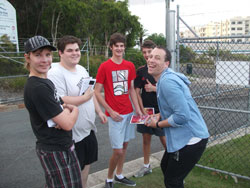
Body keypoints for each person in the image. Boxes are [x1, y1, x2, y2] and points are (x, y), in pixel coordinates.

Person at [145, 46, 209, 188]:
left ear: (166, 64)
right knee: (165, 166)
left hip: (192, 139)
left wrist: (157, 124)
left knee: (172, 181)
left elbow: (182, 116)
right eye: (150, 56)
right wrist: (160, 114)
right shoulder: (165, 78)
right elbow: (175, 105)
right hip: (184, 138)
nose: (151, 60)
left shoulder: (167, 82)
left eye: (157, 57)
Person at [48, 35, 107, 188]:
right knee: (69, 179)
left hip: (87, 130)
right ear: (60, 53)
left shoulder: (81, 69)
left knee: (85, 171)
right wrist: (85, 97)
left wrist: (99, 112)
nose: (75, 53)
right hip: (72, 136)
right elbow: (61, 100)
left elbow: (90, 92)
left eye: (77, 50)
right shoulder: (55, 72)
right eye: (69, 51)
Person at [23, 35, 82, 188]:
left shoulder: (46, 81)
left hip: (60, 147)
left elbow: (62, 106)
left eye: (48, 54)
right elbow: (68, 123)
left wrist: (64, 112)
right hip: (56, 150)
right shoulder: (38, 87)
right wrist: (74, 109)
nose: (44, 60)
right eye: (38, 55)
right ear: (27, 57)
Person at [95, 33, 142, 188]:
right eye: (117, 46)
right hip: (115, 116)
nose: (120, 49)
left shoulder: (129, 66)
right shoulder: (104, 66)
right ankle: (109, 179)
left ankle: (119, 174)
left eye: (122, 46)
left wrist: (138, 110)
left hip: (128, 113)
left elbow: (131, 90)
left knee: (125, 146)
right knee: (118, 151)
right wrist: (109, 110)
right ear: (111, 47)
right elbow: (96, 91)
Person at [133, 40, 166, 178]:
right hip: (147, 113)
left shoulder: (163, 69)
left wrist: (154, 88)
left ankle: (173, 165)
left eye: (150, 52)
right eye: (144, 52)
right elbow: (136, 92)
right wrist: (141, 111)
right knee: (146, 139)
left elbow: (169, 90)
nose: (147, 55)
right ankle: (146, 166)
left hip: (161, 112)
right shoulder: (141, 71)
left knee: (166, 141)